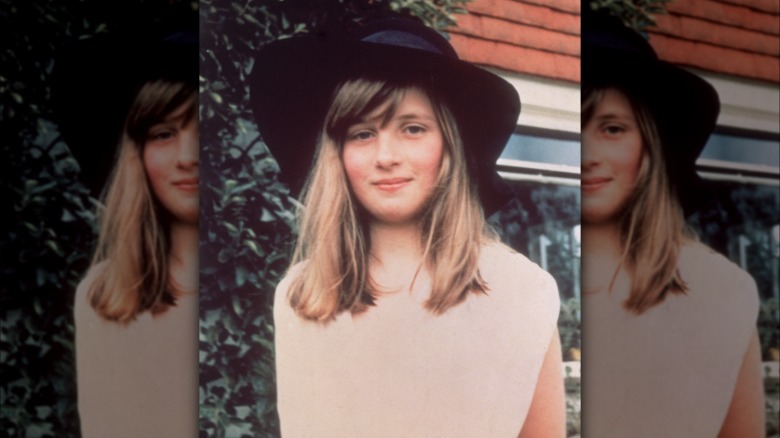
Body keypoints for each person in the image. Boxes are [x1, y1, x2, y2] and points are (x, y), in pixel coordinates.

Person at [249, 18, 565, 437]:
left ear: (449, 144)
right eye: (362, 133)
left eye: (412, 128)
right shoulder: (302, 294)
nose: (386, 155)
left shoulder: (523, 290)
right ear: (337, 154)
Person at [580, 11, 765, 438]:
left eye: (611, 128)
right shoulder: (523, 288)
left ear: (651, 145)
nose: (586, 153)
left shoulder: (722, 289)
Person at [53, 29, 199, 437]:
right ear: (138, 154)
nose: (189, 157)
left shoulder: (273, 289)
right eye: (164, 134)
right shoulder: (105, 295)